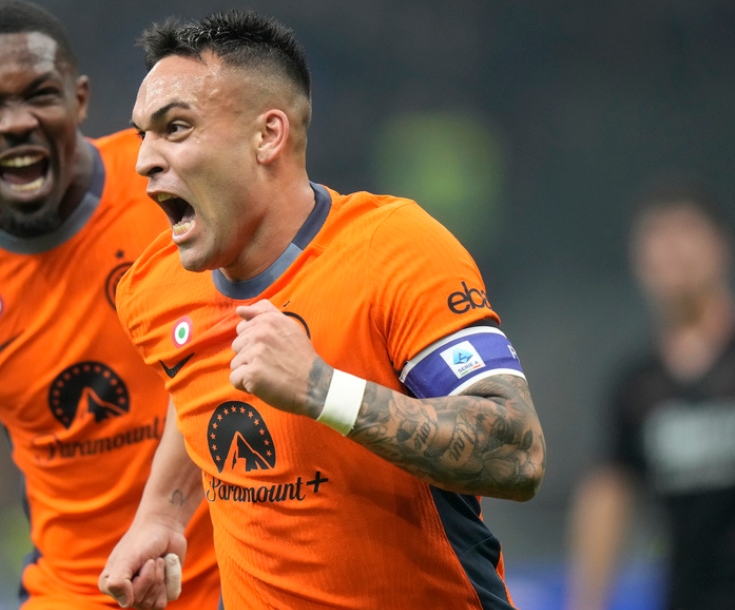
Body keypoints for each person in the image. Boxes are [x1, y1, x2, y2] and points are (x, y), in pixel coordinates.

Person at [98, 10, 547, 610]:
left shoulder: (393, 250)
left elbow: (516, 450)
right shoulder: (153, 287)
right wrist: (160, 513)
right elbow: (196, 388)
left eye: (175, 128)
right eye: (141, 135)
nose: (144, 161)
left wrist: (323, 390)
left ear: (268, 136)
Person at [0, 1, 219, 608]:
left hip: (234, 566)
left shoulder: (176, 188)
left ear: (79, 99)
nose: (16, 123)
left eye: (39, 95)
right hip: (78, 588)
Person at [565, 180, 735, 610]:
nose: (672, 251)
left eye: (686, 233)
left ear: (721, 247)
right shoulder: (637, 387)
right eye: (657, 237)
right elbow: (608, 494)